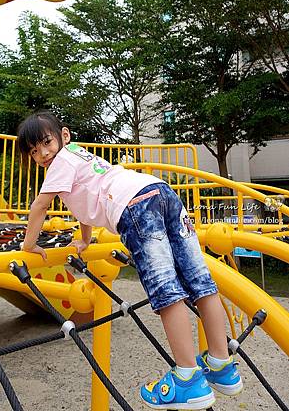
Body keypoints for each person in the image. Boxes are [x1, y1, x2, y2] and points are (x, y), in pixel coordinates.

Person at [18, 111, 243, 410]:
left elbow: (39, 206)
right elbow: (84, 204)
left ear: (64, 136)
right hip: (161, 192)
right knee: (200, 283)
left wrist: (29, 244)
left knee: (166, 291)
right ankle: (221, 364)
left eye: (46, 143)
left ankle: (188, 378)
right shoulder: (78, 156)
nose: (43, 153)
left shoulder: (59, 164)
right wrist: (85, 238)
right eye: (34, 151)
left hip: (135, 207)